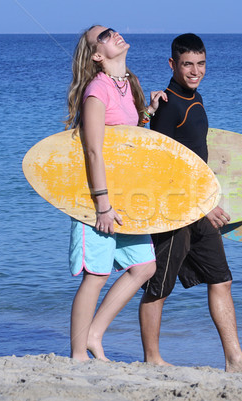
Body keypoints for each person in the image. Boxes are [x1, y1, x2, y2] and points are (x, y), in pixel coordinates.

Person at [138, 33, 242, 373]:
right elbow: (162, 166)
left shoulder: (196, 97)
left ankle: (235, 359)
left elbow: (194, 157)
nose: (195, 71)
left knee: (221, 278)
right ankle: (152, 360)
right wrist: (202, 205)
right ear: (172, 64)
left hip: (199, 207)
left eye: (200, 64)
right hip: (176, 209)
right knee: (158, 285)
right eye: (187, 64)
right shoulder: (169, 105)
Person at [64, 25, 166, 361]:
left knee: (144, 267)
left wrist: (147, 112)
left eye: (113, 30)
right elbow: (93, 151)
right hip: (97, 200)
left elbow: (125, 142)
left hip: (124, 196)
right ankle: (78, 354)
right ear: (96, 54)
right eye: (105, 35)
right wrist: (103, 206)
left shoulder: (126, 84)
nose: (116, 34)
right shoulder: (97, 90)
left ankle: (94, 334)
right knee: (97, 275)